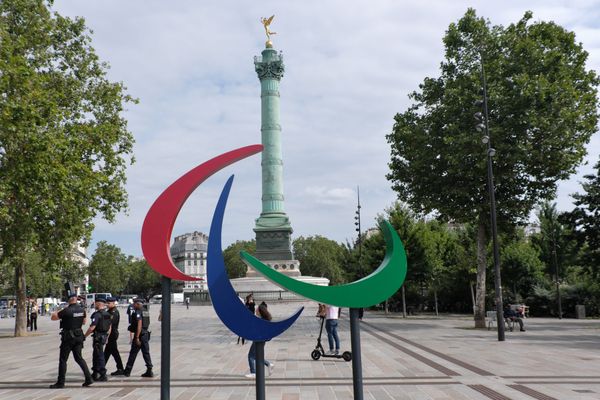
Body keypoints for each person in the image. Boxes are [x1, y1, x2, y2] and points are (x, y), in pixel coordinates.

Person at [49, 293, 93, 388]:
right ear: (76, 299)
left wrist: (60, 310)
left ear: (69, 300)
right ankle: (88, 378)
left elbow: (53, 317)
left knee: (63, 360)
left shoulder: (66, 310)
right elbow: (84, 322)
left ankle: (61, 382)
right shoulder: (82, 310)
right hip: (78, 336)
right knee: (79, 358)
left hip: (68, 337)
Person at [124, 298, 153, 377]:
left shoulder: (138, 311)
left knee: (133, 353)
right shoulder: (145, 311)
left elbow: (139, 324)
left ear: (138, 304)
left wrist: (136, 337)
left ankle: (127, 370)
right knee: (146, 352)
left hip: (140, 335)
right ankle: (149, 369)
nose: (133, 305)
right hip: (145, 334)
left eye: (134, 303)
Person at [84, 298, 112, 381]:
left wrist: (84, 336)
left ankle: (103, 374)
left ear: (99, 304)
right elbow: (110, 327)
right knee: (96, 355)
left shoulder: (97, 315)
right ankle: (95, 373)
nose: (94, 304)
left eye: (95, 303)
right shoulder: (107, 314)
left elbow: (92, 327)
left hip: (98, 337)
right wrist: (107, 337)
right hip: (104, 336)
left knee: (99, 356)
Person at [245, 301, 275, 378]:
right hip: (261, 340)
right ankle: (268, 364)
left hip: (258, 340)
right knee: (256, 356)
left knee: (251, 356)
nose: (255, 311)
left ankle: (253, 372)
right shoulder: (264, 320)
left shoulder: (261, 321)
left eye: (257, 310)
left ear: (260, 312)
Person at [105, 297, 125, 376]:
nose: (107, 304)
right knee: (109, 352)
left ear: (113, 303)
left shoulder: (114, 312)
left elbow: (110, 324)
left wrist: (107, 335)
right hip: (111, 334)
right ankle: (101, 367)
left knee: (113, 352)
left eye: (109, 303)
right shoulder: (109, 311)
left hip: (112, 334)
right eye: (107, 303)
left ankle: (120, 368)